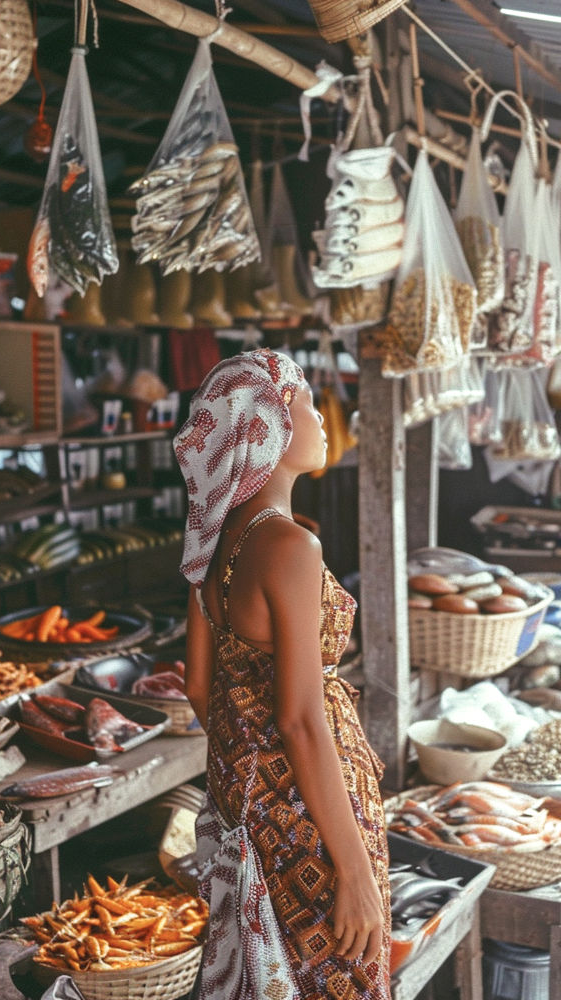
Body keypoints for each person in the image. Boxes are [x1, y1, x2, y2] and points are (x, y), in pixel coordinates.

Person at [174, 349, 390, 1000]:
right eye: (299, 396)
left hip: (254, 811)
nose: (322, 414)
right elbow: (300, 720)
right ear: (262, 424)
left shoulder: (214, 543)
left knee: (267, 975)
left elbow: (198, 687)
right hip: (312, 819)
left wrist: (249, 786)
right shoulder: (292, 547)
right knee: (336, 977)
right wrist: (352, 871)